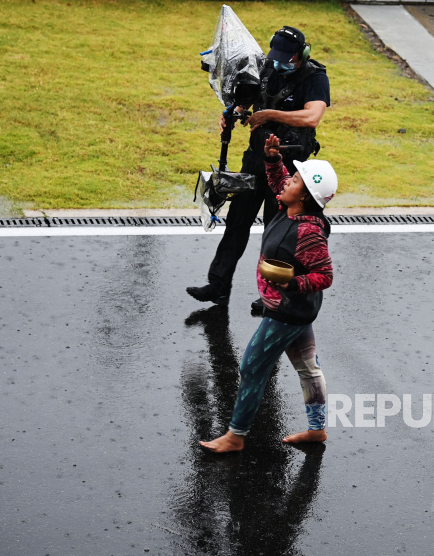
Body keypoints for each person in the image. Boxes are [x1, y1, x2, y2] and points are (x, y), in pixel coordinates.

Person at [200, 133, 338, 453]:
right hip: (297, 309)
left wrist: (292, 284)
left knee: (250, 367)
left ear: (304, 197)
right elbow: (278, 181)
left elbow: (324, 275)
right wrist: (273, 159)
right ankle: (317, 431)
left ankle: (236, 435)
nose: (288, 180)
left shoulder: (309, 231)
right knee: (307, 368)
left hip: (286, 311)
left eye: (296, 180)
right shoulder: (285, 206)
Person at [187, 26, 331, 310]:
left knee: (276, 234)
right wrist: (233, 113)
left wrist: (269, 115)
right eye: (275, 57)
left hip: (288, 168)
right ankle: (218, 285)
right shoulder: (266, 67)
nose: (279, 64)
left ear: (302, 54)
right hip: (255, 160)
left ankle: (274, 296)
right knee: (236, 223)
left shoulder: (315, 77)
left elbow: (313, 116)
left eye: (286, 59)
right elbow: (246, 99)